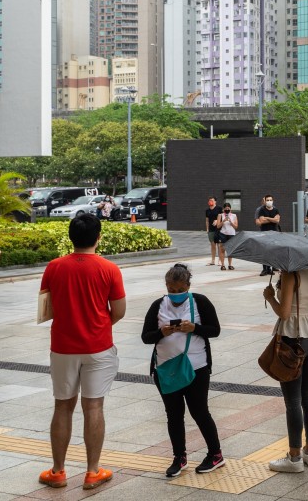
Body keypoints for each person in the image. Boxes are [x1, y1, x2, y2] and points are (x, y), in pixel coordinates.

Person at [38, 214, 126, 490]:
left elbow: (45, 309)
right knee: (94, 406)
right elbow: (119, 310)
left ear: (70, 237)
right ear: (99, 237)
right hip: (98, 347)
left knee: (63, 405)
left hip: (63, 347)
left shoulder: (53, 267)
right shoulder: (109, 269)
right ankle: (92, 472)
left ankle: (58, 471)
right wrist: (98, 324)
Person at [140, 264, 224, 476]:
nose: (175, 294)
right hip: (166, 369)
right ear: (166, 286)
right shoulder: (158, 305)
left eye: (179, 289)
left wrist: (194, 328)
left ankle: (215, 454)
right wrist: (162, 332)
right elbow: (145, 337)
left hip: (196, 368)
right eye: (171, 289)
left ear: (188, 285)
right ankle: (179, 457)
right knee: (173, 415)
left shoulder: (200, 302)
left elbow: (215, 330)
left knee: (199, 411)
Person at [264, 267, 308, 473]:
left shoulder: (291, 274)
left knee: (292, 401)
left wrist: (271, 297)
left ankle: (294, 457)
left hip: (292, 338)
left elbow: (284, 312)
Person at [255, 195, 281, 275]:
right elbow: (261, 221)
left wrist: (267, 218)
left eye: (270, 200)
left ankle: (270, 267)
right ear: (265, 201)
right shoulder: (261, 210)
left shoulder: (276, 210)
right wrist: (272, 219)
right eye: (268, 200)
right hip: (264, 232)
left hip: (274, 232)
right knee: (264, 250)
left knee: (272, 250)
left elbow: (277, 221)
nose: (269, 201)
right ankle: (265, 269)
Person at [213, 204, 238, 271]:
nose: (227, 210)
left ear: (230, 209)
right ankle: (223, 265)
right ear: (223, 209)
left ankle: (230, 265)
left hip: (231, 234)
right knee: (222, 249)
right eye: (226, 208)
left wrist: (230, 222)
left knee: (230, 250)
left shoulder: (234, 215)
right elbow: (218, 226)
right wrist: (223, 221)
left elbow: (236, 227)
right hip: (223, 234)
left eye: (228, 208)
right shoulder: (220, 215)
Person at [205, 197, 222, 265]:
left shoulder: (219, 208)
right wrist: (207, 228)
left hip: (218, 229)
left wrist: (217, 221)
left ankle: (220, 260)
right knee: (212, 244)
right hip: (211, 229)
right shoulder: (207, 210)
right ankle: (213, 260)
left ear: (215, 201)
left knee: (219, 245)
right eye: (209, 200)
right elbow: (207, 220)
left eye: (211, 200)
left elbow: (223, 217)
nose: (210, 202)